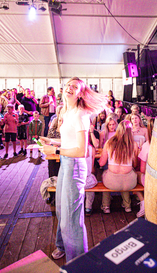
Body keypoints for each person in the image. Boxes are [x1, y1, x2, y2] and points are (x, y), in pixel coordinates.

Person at [41, 77, 107, 262]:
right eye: (68, 85)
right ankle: (62, 246)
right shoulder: (66, 111)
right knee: (62, 210)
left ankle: (78, 263)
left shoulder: (80, 114)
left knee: (71, 219)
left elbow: (81, 150)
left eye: (74, 87)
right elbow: (70, 142)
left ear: (80, 94)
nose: (69, 88)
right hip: (65, 163)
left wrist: (53, 150)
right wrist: (51, 141)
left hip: (75, 166)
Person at [99, 120, 138, 213]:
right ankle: (127, 205)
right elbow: (135, 165)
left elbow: (101, 163)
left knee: (105, 174)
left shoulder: (109, 143)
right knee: (126, 175)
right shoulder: (134, 145)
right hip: (130, 182)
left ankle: (106, 206)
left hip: (111, 182)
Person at [136, 118, 154, 217]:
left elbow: (142, 169)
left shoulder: (147, 145)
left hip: (149, 179)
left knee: (132, 176)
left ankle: (143, 203)